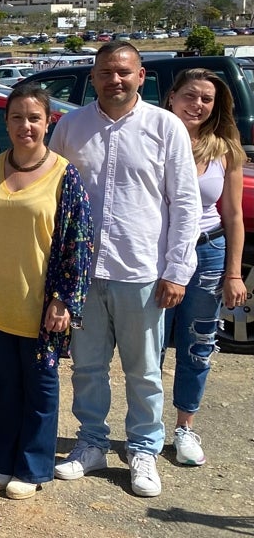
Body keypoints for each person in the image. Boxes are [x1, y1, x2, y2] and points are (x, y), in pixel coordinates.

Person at [50, 42, 198, 498]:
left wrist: (177, 270)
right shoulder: (71, 127)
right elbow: (50, 196)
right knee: (88, 367)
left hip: (142, 272)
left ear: (140, 76)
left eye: (124, 72)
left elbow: (186, 202)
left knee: (144, 369)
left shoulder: (165, 126)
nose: (115, 80)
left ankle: (144, 449)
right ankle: (91, 442)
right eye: (106, 72)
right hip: (85, 276)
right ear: (93, 77)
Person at [0, 84, 94, 500]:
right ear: (6, 121)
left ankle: (33, 467)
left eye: (34, 118)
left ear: (48, 121)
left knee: (40, 388)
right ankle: (4, 461)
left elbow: (79, 244)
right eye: (17, 117)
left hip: (41, 307)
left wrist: (63, 300)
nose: (25, 126)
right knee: (5, 385)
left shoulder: (63, 174)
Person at [161, 68, 248, 466]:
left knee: (197, 343)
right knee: (150, 347)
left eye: (206, 99)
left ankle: (184, 427)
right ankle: (144, 427)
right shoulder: (155, 137)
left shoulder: (224, 148)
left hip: (208, 252)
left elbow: (232, 216)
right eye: (190, 96)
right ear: (172, 96)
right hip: (158, 256)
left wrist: (233, 273)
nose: (197, 105)